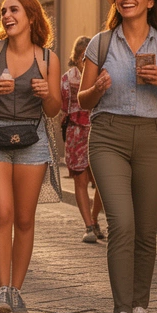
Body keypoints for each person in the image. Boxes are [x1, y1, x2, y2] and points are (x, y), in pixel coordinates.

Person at [77, 0, 157, 313]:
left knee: (146, 227)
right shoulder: (102, 42)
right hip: (109, 133)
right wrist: (97, 88)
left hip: (156, 137)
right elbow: (82, 99)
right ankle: (122, 311)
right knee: (121, 222)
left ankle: (141, 304)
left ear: (149, 0)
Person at [0, 0, 62, 313]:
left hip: (32, 138)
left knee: (24, 219)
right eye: (4, 11)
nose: (7, 15)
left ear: (31, 17)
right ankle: (2, 289)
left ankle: (17, 289)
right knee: (3, 213)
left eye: (14, 10)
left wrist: (48, 93)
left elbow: (54, 109)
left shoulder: (48, 59)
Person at [61, 36, 103, 243]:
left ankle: (94, 219)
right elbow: (61, 109)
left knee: (103, 183)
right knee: (81, 181)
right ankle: (88, 225)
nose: (85, 61)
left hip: (99, 131)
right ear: (76, 57)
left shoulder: (103, 77)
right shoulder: (67, 79)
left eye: (90, 56)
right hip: (76, 135)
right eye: (82, 56)